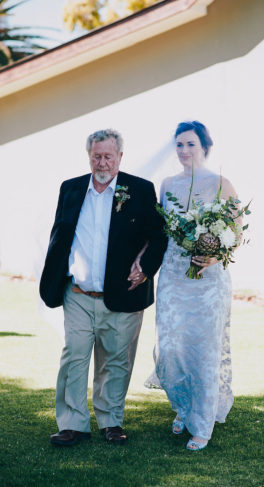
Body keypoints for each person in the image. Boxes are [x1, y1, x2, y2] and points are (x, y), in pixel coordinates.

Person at [40, 129, 167, 446]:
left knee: (116, 360)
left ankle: (111, 421)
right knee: (75, 357)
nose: (102, 162)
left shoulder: (138, 190)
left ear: (120, 157)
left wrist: (145, 267)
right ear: (89, 156)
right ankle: (72, 423)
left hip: (123, 293)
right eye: (96, 155)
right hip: (79, 293)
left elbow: (159, 236)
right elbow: (60, 236)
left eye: (108, 156)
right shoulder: (71, 189)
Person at [130, 121, 239, 451]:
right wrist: (141, 260)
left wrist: (215, 255)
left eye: (190, 144)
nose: (184, 151)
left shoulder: (221, 184)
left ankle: (202, 424)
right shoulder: (167, 185)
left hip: (208, 281)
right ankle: (183, 408)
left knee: (203, 351)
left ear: (205, 146)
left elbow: (235, 233)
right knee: (174, 349)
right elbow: (160, 232)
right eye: (179, 145)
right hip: (175, 278)